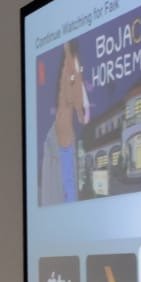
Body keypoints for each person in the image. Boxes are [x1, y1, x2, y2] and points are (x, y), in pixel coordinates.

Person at [53, 40, 89, 202]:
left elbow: (75, 88)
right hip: (64, 129)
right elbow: (74, 91)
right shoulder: (71, 63)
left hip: (63, 127)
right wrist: (81, 112)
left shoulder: (68, 65)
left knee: (68, 176)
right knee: (68, 177)